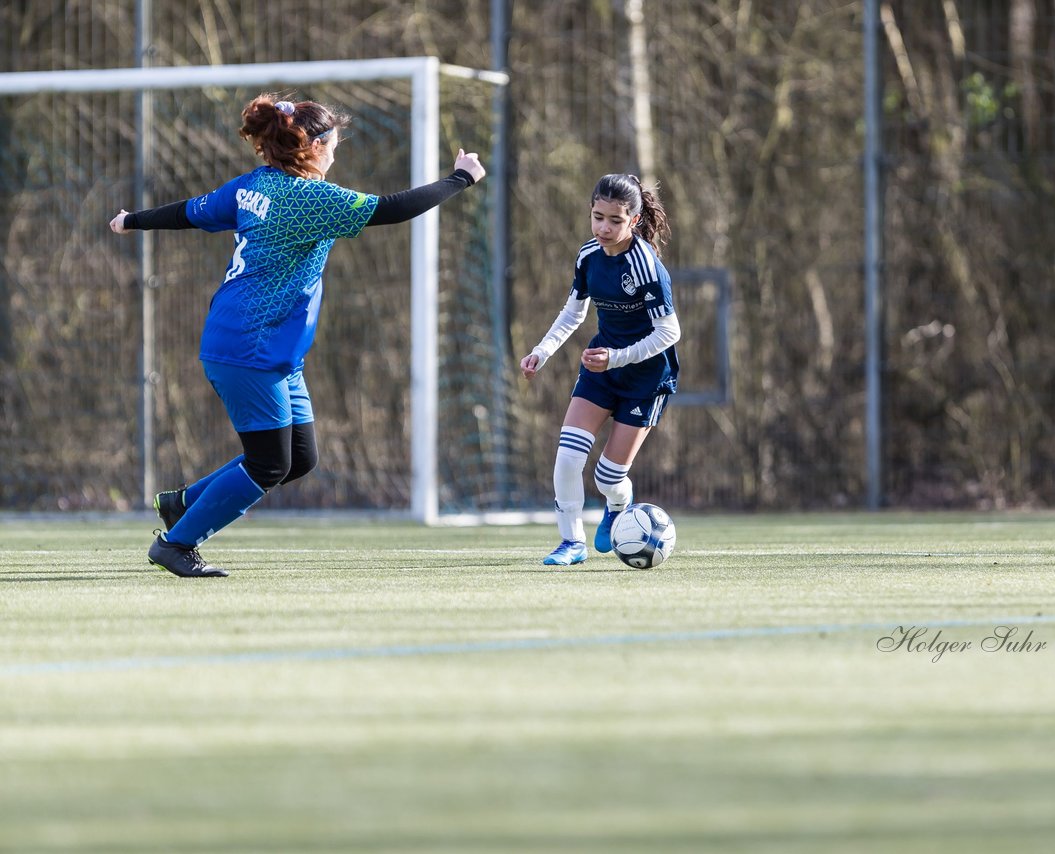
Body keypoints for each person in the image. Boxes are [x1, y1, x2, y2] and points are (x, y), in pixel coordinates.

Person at [110, 93, 485, 578]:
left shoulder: (255, 186)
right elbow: (394, 208)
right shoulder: (310, 197)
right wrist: (461, 178)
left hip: (271, 349)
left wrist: (133, 219)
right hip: (250, 346)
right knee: (268, 464)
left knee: (297, 458)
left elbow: (192, 211)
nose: (336, 152)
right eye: (334, 143)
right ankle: (176, 544)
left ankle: (182, 502)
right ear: (315, 146)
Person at [520, 174, 679, 565]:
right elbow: (573, 312)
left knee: (607, 478)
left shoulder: (646, 266)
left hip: (645, 377)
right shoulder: (588, 256)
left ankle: (616, 506)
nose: (604, 228)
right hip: (601, 370)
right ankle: (572, 543)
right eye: (597, 217)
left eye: (615, 220)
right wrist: (542, 351)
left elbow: (670, 332)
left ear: (635, 220)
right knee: (568, 457)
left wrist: (618, 357)